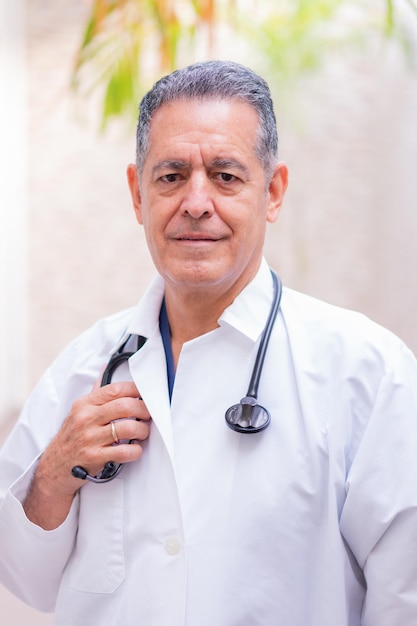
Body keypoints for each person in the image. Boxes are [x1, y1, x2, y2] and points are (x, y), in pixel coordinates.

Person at [1, 60, 417, 626]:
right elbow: (23, 578)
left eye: (225, 175)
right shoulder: (84, 368)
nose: (196, 203)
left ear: (272, 192)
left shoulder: (368, 372)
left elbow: (403, 598)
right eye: (171, 176)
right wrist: (53, 474)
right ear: (137, 194)